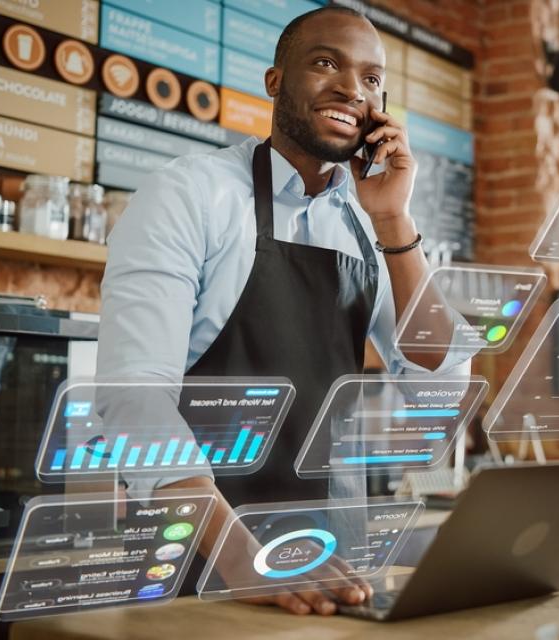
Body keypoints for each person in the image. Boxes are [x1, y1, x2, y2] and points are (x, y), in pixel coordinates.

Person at [95, 7, 471, 615]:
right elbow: (133, 396)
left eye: (373, 79)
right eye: (326, 63)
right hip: (201, 559)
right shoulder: (192, 194)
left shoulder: (372, 223)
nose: (353, 88)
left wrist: (396, 221)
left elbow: (442, 386)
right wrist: (246, 560)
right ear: (275, 82)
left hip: (335, 561)